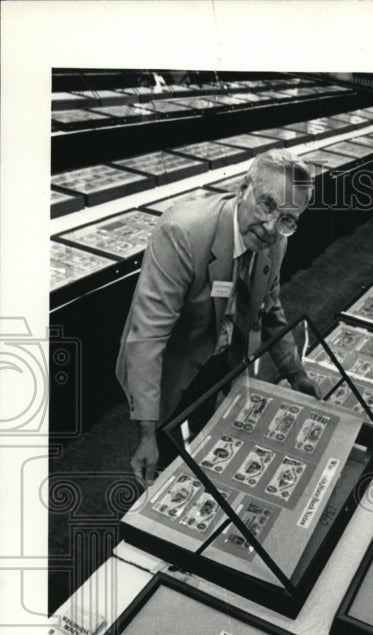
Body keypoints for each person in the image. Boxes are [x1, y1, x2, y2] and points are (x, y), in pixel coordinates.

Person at [116, 148, 319, 486]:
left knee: (208, 430)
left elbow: (270, 308)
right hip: (171, 364)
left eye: (287, 219)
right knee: (162, 459)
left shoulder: (276, 241)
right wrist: (147, 433)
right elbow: (147, 337)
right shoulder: (182, 231)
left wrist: (295, 373)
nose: (271, 227)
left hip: (220, 358)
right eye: (267, 204)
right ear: (243, 188)